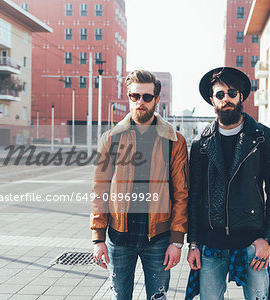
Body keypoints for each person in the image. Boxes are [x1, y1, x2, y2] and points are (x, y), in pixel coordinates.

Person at [186, 67, 270, 300]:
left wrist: (269, 239)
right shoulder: (201, 143)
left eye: (232, 93)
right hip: (211, 244)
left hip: (253, 242)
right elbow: (194, 196)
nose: (226, 99)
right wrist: (193, 243)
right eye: (220, 94)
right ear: (212, 100)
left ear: (241, 96)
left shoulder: (262, 137)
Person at [91, 70, 189, 300]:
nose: (140, 102)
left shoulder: (174, 140)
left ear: (156, 99)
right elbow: (100, 189)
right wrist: (98, 239)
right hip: (119, 238)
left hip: (159, 239)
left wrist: (177, 241)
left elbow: (182, 193)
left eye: (147, 97)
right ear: (129, 97)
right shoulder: (111, 138)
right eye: (135, 96)